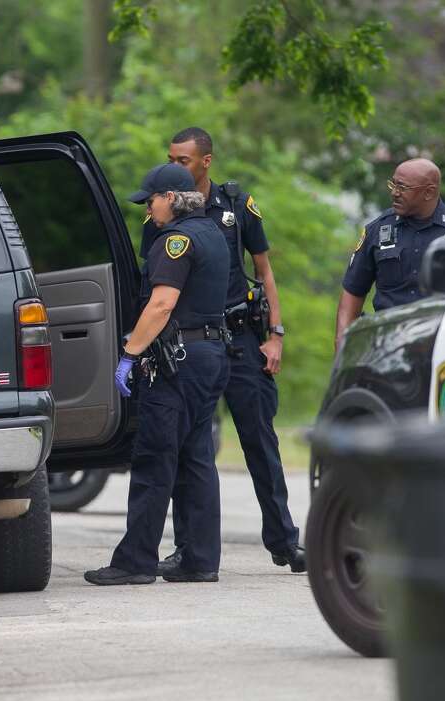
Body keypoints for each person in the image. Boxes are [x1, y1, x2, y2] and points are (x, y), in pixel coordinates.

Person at [150, 128, 305, 576]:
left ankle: (285, 541)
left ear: (206, 162)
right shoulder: (161, 211)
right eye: (171, 159)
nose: (175, 167)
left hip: (240, 336)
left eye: (183, 160)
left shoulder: (236, 206)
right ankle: (187, 548)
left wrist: (275, 333)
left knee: (260, 439)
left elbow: (264, 270)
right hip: (189, 342)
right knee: (190, 447)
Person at [84, 163, 231, 585]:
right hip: (210, 355)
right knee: (196, 458)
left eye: (150, 201)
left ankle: (135, 562)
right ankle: (200, 559)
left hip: (178, 361)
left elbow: (162, 305)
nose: (148, 210)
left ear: (170, 197)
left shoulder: (176, 242)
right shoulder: (214, 236)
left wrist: (130, 352)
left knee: (154, 458)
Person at [336, 157, 445, 350]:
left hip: (444, 344)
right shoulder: (378, 230)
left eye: (403, 188)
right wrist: (343, 348)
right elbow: (352, 292)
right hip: (387, 347)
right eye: (393, 184)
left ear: (429, 192)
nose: (394, 192)